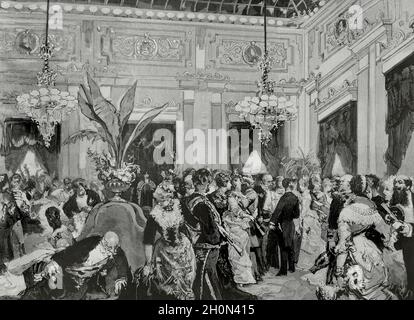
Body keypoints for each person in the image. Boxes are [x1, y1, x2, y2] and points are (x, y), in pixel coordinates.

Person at [330, 175, 396, 300]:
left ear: (351, 188)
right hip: (370, 250)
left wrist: (338, 273)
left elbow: (343, 244)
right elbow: (386, 234)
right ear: (365, 189)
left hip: (354, 251)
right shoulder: (370, 209)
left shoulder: (346, 212)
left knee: (354, 290)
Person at [23, 231, 130, 300]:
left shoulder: (115, 250)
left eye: (113, 248)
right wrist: (55, 262)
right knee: (50, 289)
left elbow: (122, 262)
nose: (110, 251)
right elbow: (68, 253)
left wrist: (122, 277)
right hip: (66, 273)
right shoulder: (91, 242)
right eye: (107, 247)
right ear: (102, 241)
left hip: (82, 283)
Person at [139, 181, 196, 300]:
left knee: (186, 279)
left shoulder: (179, 207)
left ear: (171, 197)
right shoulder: (155, 214)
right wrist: (149, 263)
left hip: (183, 248)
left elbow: (193, 224)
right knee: (166, 284)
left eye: (165, 199)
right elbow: (148, 240)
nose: (162, 203)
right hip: (164, 252)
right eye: (160, 200)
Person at [182, 169, 223, 300]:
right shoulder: (201, 203)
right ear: (204, 183)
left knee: (199, 277)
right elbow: (210, 228)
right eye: (207, 182)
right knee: (208, 277)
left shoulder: (187, 200)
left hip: (194, 245)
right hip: (206, 246)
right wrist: (217, 241)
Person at [222, 175, 256, 287]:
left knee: (243, 250)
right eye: (236, 181)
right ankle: (239, 279)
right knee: (237, 250)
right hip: (233, 225)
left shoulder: (240, 195)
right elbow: (236, 211)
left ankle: (244, 278)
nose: (239, 183)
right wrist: (246, 215)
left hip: (241, 225)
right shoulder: (231, 196)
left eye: (240, 181)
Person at [389, 175, 414, 298]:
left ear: (408, 186)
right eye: (395, 183)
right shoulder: (393, 201)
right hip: (398, 241)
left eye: (400, 182)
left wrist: (410, 229)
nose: (396, 185)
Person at [269, 178, 300, 276]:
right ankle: (291, 267)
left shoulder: (284, 198)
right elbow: (297, 214)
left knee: (283, 247)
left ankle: (283, 270)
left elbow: (278, 211)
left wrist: (272, 222)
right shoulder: (295, 197)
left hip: (283, 224)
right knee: (290, 245)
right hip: (291, 224)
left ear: (283, 186)